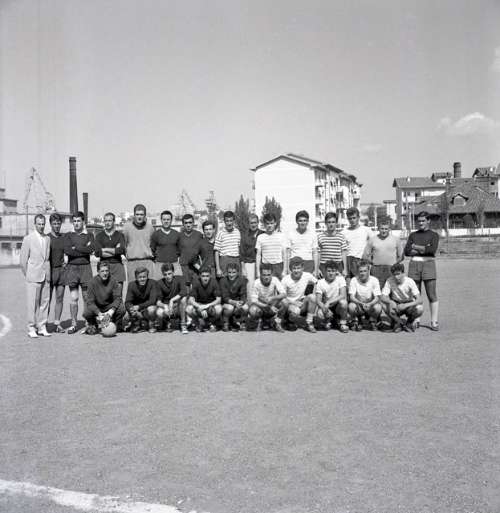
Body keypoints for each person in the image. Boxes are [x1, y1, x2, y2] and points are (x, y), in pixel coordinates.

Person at [404, 211, 440, 330]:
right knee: (415, 294)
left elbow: (431, 250)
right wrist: (424, 248)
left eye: (423, 221)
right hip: (414, 264)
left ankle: (434, 321)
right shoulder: (413, 235)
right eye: (419, 221)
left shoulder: (434, 235)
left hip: (429, 264)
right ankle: (416, 319)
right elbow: (407, 251)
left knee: (431, 294)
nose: (421, 223)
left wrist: (415, 246)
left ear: (428, 221)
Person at [20, 214, 51, 338]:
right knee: (32, 303)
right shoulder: (28, 239)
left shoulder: (47, 239)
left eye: (43, 224)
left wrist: (48, 274)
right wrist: (28, 274)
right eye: (39, 224)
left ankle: (42, 326)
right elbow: (23, 261)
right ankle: (31, 328)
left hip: (45, 275)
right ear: (35, 224)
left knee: (44, 302)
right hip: (33, 276)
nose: (41, 226)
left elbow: (47, 259)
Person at [64, 211, 95, 334]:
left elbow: (91, 249)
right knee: (74, 297)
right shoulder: (68, 235)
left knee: (87, 297)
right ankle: (73, 324)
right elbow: (67, 251)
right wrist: (83, 250)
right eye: (74, 221)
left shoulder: (89, 235)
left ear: (83, 222)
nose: (76, 223)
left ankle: (88, 324)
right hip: (72, 268)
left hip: (85, 268)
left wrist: (75, 248)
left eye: (79, 221)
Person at [83, 261, 126, 335]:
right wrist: (99, 313)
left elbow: (117, 298)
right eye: (102, 271)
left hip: (109, 305)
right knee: (86, 312)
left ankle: (116, 324)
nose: (105, 273)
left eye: (107, 271)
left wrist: (110, 312)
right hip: (97, 306)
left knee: (122, 309)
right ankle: (93, 324)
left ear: (109, 271)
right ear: (98, 271)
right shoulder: (92, 282)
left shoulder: (113, 280)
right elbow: (90, 301)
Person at [380, 262, 424, 333]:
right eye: (394, 274)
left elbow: (420, 300)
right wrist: (390, 302)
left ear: (403, 273)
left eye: (398, 274)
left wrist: (405, 305)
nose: (396, 277)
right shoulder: (389, 280)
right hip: (396, 303)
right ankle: (398, 322)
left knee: (420, 308)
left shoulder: (410, 281)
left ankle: (409, 322)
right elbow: (382, 297)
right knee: (384, 305)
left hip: (408, 303)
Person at [362, 217, 403, 288]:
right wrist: (373, 263)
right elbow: (365, 256)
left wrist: (394, 264)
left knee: (392, 289)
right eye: (382, 228)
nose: (384, 231)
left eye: (386, 229)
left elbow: (401, 256)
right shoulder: (372, 240)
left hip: (391, 268)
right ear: (379, 229)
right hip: (376, 269)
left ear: (389, 229)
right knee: (377, 289)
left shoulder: (396, 239)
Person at [281, 256, 318, 332]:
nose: (296, 271)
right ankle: (287, 320)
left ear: (302, 268)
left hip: (302, 303)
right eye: (294, 268)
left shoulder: (307, 275)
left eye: (298, 268)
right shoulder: (285, 279)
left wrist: (314, 293)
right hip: (290, 304)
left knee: (312, 297)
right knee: (295, 312)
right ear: (290, 269)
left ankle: (309, 322)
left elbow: (317, 283)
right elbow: (282, 297)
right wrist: (293, 302)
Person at [123, 204, 155, 285]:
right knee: (133, 286)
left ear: (145, 215)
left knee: (149, 286)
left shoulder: (150, 227)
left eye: (141, 214)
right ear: (134, 215)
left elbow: (153, 244)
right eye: (137, 214)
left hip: (147, 261)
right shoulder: (127, 227)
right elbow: (124, 244)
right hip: (132, 262)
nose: (139, 217)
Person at [94, 212, 126, 294]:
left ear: (114, 222)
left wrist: (104, 249)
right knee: (105, 295)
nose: (107, 223)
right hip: (103, 266)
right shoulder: (99, 236)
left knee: (118, 295)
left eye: (110, 221)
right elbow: (97, 253)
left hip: (117, 266)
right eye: (105, 221)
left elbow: (121, 250)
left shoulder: (120, 235)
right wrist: (115, 250)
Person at [248, 263, 286, 332]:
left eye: (268, 275)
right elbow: (254, 300)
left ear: (272, 274)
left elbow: (284, 294)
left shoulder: (275, 280)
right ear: (260, 274)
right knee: (252, 310)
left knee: (285, 302)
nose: (266, 277)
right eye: (264, 275)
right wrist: (268, 306)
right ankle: (260, 321)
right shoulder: (256, 283)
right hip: (261, 306)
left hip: (272, 305)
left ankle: (277, 323)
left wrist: (273, 298)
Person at [347, 259, 382, 331]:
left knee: (378, 307)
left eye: (365, 271)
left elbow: (377, 297)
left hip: (370, 305)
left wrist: (370, 304)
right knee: (351, 306)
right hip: (359, 305)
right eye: (361, 271)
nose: (363, 273)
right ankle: (355, 320)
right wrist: (360, 303)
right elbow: (351, 297)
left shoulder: (374, 280)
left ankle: (372, 321)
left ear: (369, 271)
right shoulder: (354, 280)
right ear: (357, 272)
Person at [315, 260, 349, 333]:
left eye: (333, 271)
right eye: (329, 271)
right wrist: (325, 308)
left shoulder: (341, 279)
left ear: (336, 271)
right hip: (326, 307)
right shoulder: (320, 282)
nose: (331, 273)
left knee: (344, 302)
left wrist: (329, 302)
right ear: (325, 271)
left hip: (337, 306)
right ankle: (328, 320)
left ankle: (343, 323)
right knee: (319, 314)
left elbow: (342, 295)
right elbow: (318, 300)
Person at [155, 262, 188, 333]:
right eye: (165, 274)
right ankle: (166, 322)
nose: (167, 276)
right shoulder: (159, 283)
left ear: (173, 272)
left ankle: (183, 323)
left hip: (177, 306)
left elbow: (184, 292)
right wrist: (165, 306)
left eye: (169, 273)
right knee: (159, 312)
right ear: (162, 274)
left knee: (184, 299)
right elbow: (158, 302)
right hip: (167, 307)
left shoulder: (180, 279)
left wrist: (172, 300)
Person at [48, 212, 66, 333]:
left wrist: (66, 262)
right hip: (50, 271)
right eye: (54, 223)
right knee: (47, 300)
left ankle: (57, 324)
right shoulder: (46, 238)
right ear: (50, 224)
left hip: (61, 271)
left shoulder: (64, 238)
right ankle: (43, 323)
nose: (56, 226)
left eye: (58, 223)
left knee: (59, 298)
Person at [124, 266, 158, 333]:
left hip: (147, 309)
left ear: (147, 277)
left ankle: (152, 325)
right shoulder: (131, 285)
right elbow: (127, 302)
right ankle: (137, 324)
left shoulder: (152, 283)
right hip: (136, 310)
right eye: (140, 277)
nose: (142, 279)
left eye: (144, 277)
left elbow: (152, 300)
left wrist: (139, 306)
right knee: (127, 317)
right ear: (136, 278)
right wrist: (131, 309)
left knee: (152, 309)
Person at [343, 207, 373, 279]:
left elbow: (374, 244)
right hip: (349, 260)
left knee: (363, 283)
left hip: (362, 260)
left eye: (354, 218)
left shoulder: (366, 230)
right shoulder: (344, 232)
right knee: (350, 284)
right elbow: (342, 250)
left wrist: (369, 257)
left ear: (358, 217)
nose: (352, 220)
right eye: (350, 218)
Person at [287, 210, 319, 276]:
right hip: (294, 265)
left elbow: (315, 253)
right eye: (300, 221)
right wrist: (287, 269)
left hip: (309, 264)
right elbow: (288, 253)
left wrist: (316, 270)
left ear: (308, 221)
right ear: (296, 221)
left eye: (305, 220)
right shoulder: (290, 234)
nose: (303, 223)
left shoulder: (313, 234)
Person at [255, 213, 287, 279]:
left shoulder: (281, 236)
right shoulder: (260, 237)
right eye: (267, 223)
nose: (269, 225)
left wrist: (284, 270)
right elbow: (258, 255)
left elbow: (284, 254)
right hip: (265, 267)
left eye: (271, 223)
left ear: (275, 223)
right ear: (264, 224)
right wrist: (258, 271)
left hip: (278, 266)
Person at [150, 210, 180, 280]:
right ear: (161, 220)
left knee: (176, 283)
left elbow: (179, 250)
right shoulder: (156, 234)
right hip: (160, 265)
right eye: (164, 219)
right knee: (159, 284)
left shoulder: (176, 234)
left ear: (171, 220)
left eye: (168, 219)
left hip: (174, 264)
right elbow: (152, 249)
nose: (166, 221)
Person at [240, 213, 263, 301]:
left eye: (255, 222)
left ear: (258, 222)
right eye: (251, 223)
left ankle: (262, 305)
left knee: (261, 284)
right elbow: (242, 253)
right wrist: (243, 268)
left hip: (261, 263)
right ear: (248, 224)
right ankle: (251, 304)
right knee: (250, 285)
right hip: (249, 263)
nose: (253, 225)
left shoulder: (262, 234)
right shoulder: (244, 235)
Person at [219, 262, 248, 331]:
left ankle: (242, 322)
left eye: (234, 272)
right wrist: (234, 303)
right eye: (229, 272)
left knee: (245, 307)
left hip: (238, 302)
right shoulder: (223, 280)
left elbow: (243, 295)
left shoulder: (242, 280)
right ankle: (225, 322)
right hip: (226, 303)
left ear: (238, 272)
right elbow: (224, 297)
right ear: (226, 272)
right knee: (230, 308)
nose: (231, 275)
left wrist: (241, 302)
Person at [318, 212, 347, 278]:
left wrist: (345, 269)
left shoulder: (341, 237)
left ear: (336, 223)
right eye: (329, 222)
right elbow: (318, 253)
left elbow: (344, 253)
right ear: (325, 223)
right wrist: (317, 268)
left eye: (333, 222)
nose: (331, 224)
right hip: (324, 267)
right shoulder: (320, 237)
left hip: (337, 267)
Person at [178, 213, 203, 288]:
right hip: (184, 266)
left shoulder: (199, 235)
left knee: (197, 286)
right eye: (186, 223)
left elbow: (202, 250)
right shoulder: (179, 236)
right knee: (186, 287)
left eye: (190, 222)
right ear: (183, 224)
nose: (188, 225)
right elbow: (178, 251)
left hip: (196, 266)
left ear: (193, 223)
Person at [214, 210, 241, 278]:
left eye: (231, 221)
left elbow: (239, 248)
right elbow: (216, 252)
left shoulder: (237, 232)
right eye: (227, 221)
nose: (229, 223)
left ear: (234, 221)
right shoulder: (220, 233)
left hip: (236, 260)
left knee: (236, 281)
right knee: (224, 281)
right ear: (224, 221)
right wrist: (218, 269)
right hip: (225, 260)